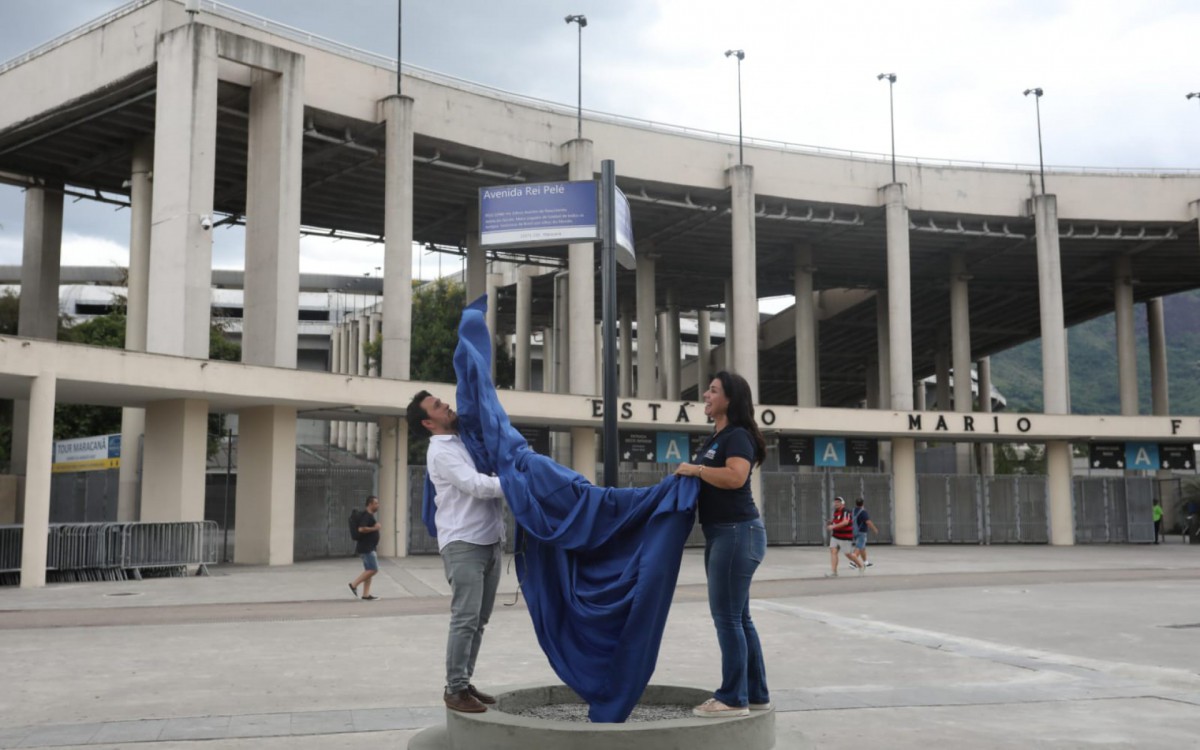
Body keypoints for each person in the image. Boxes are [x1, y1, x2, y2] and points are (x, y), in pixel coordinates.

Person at [675, 371, 771, 719]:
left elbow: (735, 477)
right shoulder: (715, 437)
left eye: (713, 390)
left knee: (727, 618)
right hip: (723, 533)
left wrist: (696, 470)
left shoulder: (737, 437)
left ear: (730, 399)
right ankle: (756, 693)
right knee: (740, 618)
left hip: (737, 532)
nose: (705, 394)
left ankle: (732, 698)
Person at [407, 389, 506, 714]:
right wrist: (516, 482)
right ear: (427, 422)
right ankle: (454, 689)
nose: (446, 404)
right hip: (464, 542)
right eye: (437, 405)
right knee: (465, 619)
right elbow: (476, 485)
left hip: (489, 539)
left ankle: (463, 681)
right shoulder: (441, 452)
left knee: (479, 620)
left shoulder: (464, 440)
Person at [348, 495, 381, 601]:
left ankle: (366, 595)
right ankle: (354, 584)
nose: (378, 505)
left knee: (368, 571)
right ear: (370, 504)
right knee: (373, 569)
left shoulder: (369, 515)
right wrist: (374, 528)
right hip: (366, 548)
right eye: (376, 503)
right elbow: (361, 529)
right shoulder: (366, 515)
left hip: (369, 546)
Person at [825, 496, 856, 577]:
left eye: (838, 502)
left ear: (843, 503)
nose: (836, 503)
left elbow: (845, 522)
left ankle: (860, 565)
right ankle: (834, 572)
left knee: (848, 554)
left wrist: (833, 527)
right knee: (833, 551)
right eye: (835, 502)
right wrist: (831, 522)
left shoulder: (846, 511)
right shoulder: (836, 512)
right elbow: (837, 521)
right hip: (835, 535)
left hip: (845, 536)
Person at [849, 498, 879, 571]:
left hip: (854, 531)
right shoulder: (863, 512)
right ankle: (853, 562)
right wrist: (875, 529)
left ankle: (865, 562)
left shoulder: (852, 511)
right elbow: (868, 522)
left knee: (862, 547)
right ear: (862, 503)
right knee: (859, 547)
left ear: (856, 503)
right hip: (861, 532)